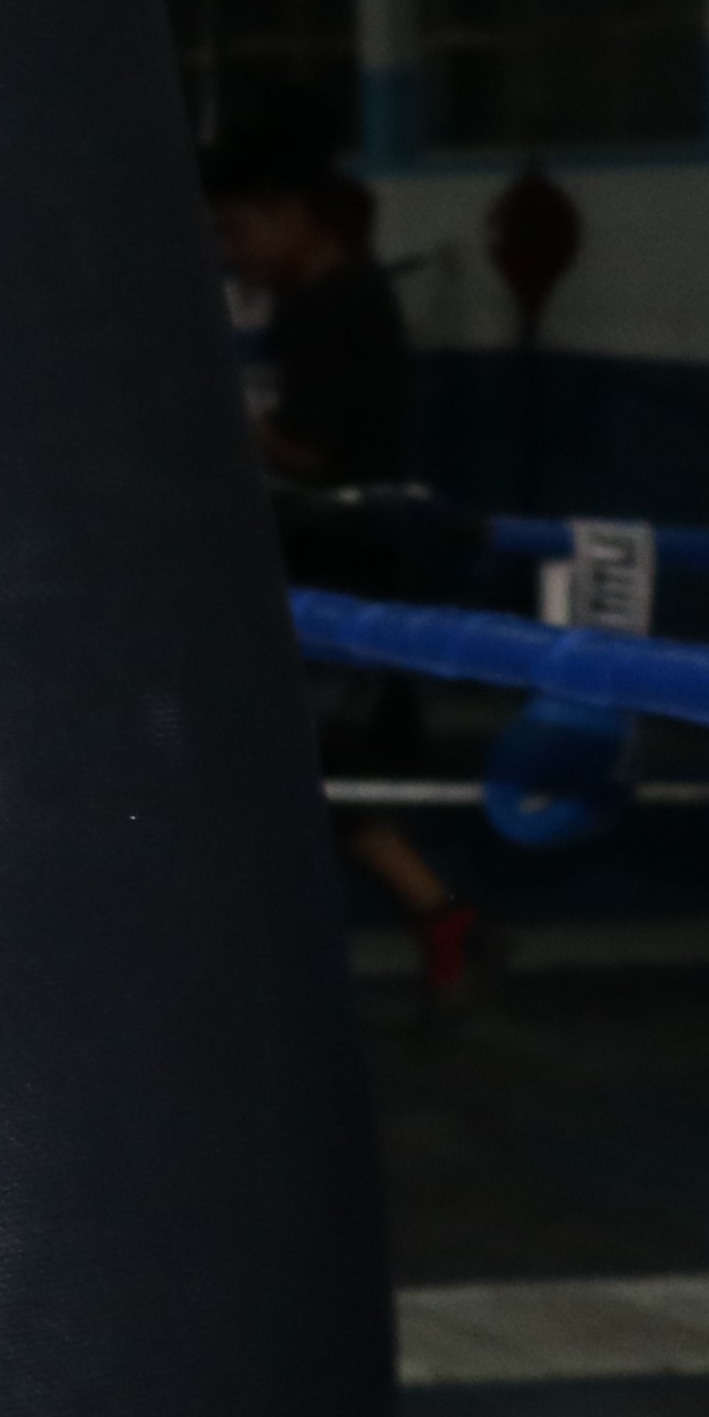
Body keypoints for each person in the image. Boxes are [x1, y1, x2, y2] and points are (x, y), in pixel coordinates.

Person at [207, 138, 476, 997]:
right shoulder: (348, 295)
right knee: (304, 763)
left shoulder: (327, 308)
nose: (234, 253)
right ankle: (437, 916)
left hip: (337, 569)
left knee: (306, 763)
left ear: (293, 216)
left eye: (240, 230)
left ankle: (436, 916)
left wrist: (220, 421)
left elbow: (312, 451)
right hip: (342, 561)